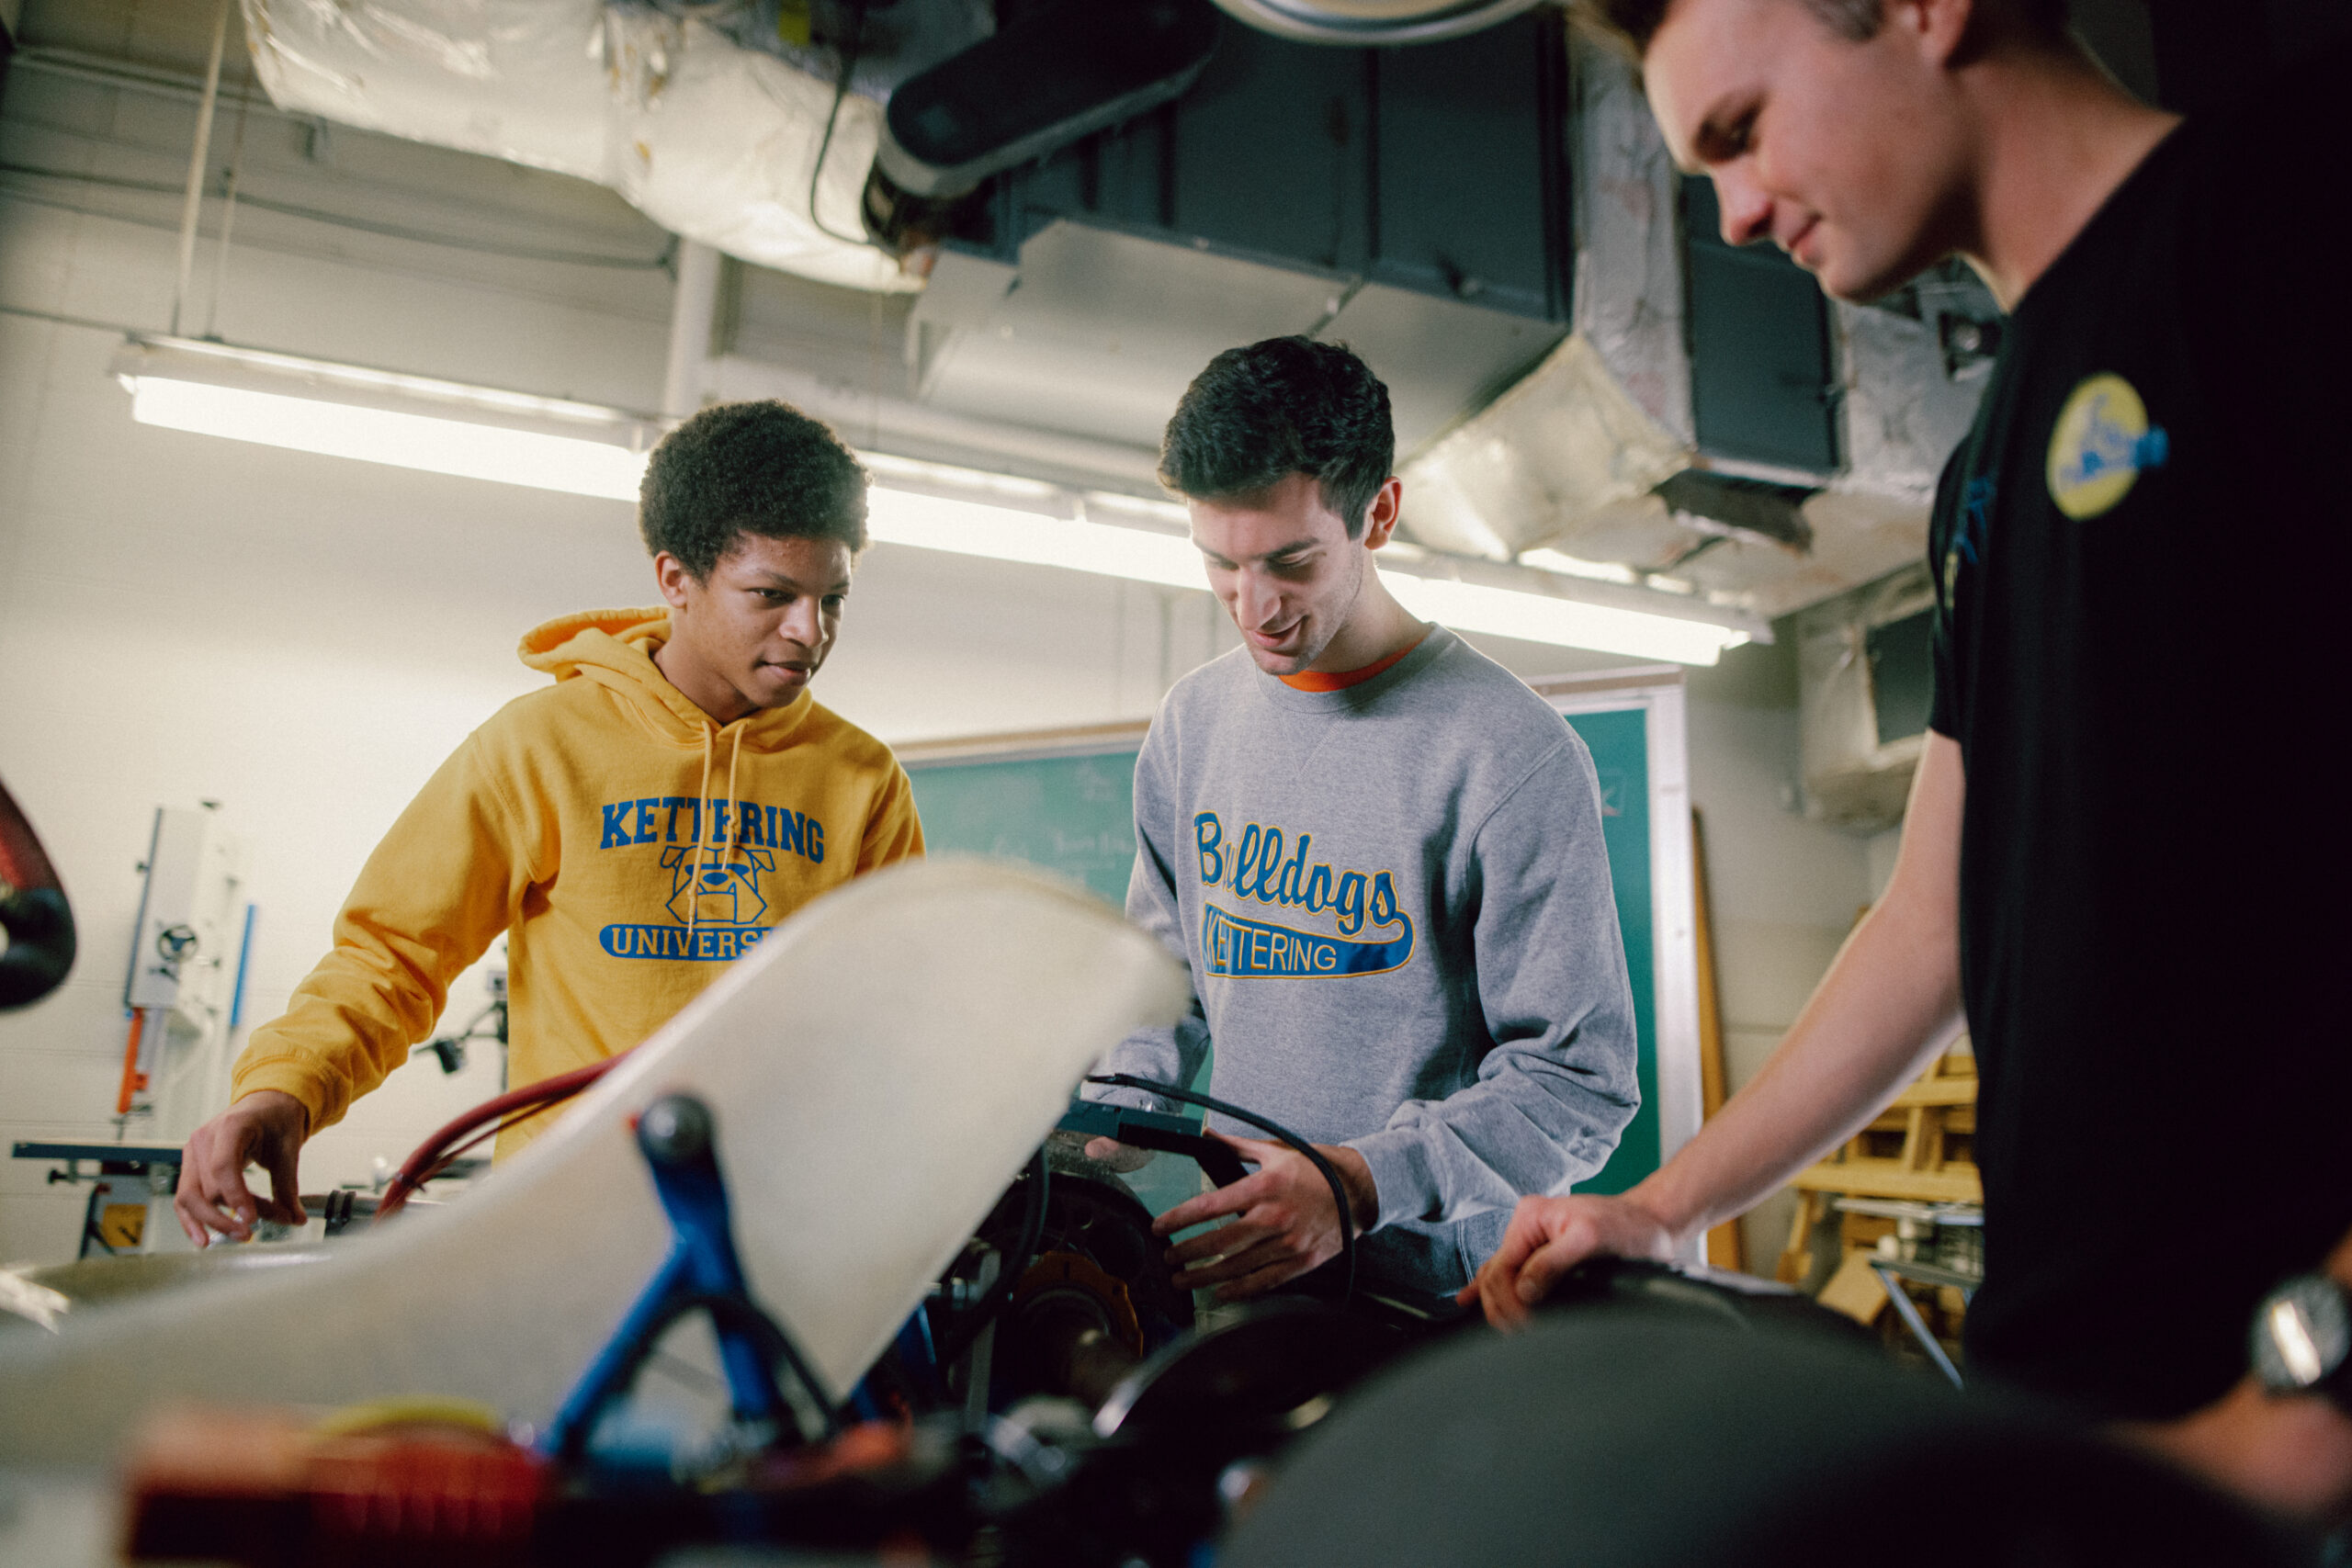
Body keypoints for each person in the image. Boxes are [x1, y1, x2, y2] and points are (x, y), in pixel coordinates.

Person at [1462, 0, 2352, 1520]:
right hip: (2092, 1406)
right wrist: (1668, 1207)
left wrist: (2303, 1418)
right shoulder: (1982, 468)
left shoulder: (2294, 201)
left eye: (1740, 131)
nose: (1733, 213)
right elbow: (1930, 917)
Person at [175, 400, 925, 1246]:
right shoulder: (538, 746)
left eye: (834, 599)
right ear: (676, 579)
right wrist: (283, 1090)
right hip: (572, 1224)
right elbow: (392, 958)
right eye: (773, 595)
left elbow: (891, 1011)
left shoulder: (864, 780)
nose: (809, 631)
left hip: (783, 1226)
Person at [1087, 337, 1641, 1304]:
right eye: (1218, 564)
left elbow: (1576, 1087)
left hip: (1425, 1309)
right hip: (1238, 1283)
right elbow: (1165, 974)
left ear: (1377, 513)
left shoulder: (1511, 751)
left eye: (1289, 562)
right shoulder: (1193, 723)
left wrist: (1354, 1186)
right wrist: (1118, 1104)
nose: (1252, 607)